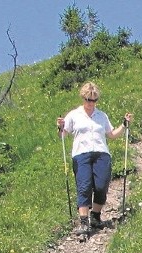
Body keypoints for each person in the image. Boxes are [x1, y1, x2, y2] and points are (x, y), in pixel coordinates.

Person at [56, 81, 132, 236]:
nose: (91, 103)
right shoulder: (74, 115)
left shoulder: (101, 116)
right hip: (81, 154)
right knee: (84, 186)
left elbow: (111, 134)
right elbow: (63, 135)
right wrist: (60, 127)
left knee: (101, 185)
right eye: (88, 100)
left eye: (94, 100)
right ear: (83, 98)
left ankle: (95, 216)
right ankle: (84, 222)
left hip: (101, 153)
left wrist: (124, 125)